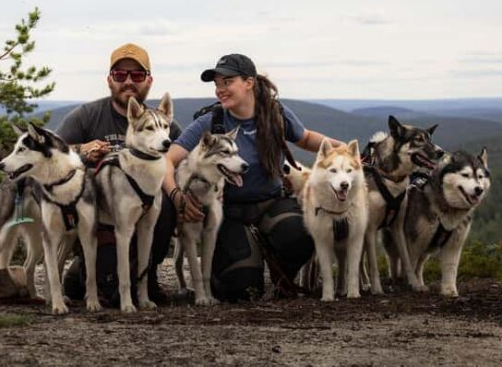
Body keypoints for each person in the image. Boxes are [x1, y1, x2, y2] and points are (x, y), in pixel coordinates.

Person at [163, 53, 341, 301]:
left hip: (271, 203)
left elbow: (306, 138)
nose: (220, 89)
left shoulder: (275, 113)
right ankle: (236, 267)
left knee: (304, 232)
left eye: (227, 82)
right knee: (242, 291)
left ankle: (283, 275)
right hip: (229, 212)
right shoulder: (211, 122)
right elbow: (167, 161)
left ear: (249, 82)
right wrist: (177, 197)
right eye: (217, 84)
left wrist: (344, 151)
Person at [56, 43, 182, 306]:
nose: (128, 81)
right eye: (120, 75)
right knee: (111, 296)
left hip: (144, 210)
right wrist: (80, 149)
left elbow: (186, 161)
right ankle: (86, 271)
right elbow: (52, 153)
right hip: (99, 217)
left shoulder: (164, 126)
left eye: (136, 75)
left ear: (149, 80)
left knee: (166, 200)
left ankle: (147, 275)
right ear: (109, 80)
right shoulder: (87, 116)